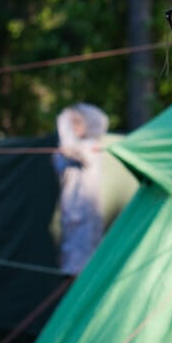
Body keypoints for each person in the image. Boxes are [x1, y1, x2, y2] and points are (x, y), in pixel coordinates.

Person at [52, 102, 110, 284]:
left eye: (77, 123)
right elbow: (61, 164)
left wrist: (63, 121)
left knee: (83, 270)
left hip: (86, 219)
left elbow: (74, 150)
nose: (74, 128)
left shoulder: (91, 147)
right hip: (70, 217)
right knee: (70, 268)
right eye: (72, 123)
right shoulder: (69, 153)